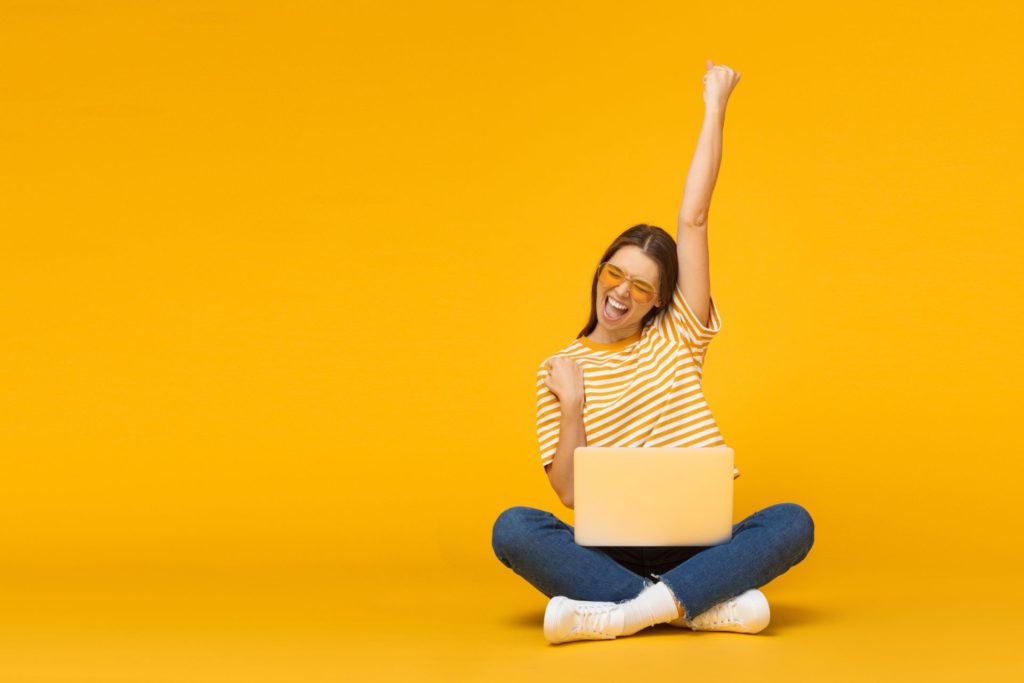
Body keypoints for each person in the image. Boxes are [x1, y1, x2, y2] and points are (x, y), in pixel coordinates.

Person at [491, 61, 815, 645]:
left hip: (699, 543)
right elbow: (567, 494)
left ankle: (622, 615)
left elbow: (693, 218)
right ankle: (700, 604)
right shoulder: (559, 368)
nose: (622, 293)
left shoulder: (678, 335)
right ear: (599, 273)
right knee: (514, 528)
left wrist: (716, 105)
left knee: (793, 522)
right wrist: (572, 405)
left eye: (642, 287)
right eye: (615, 274)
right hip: (608, 553)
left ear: (660, 300)